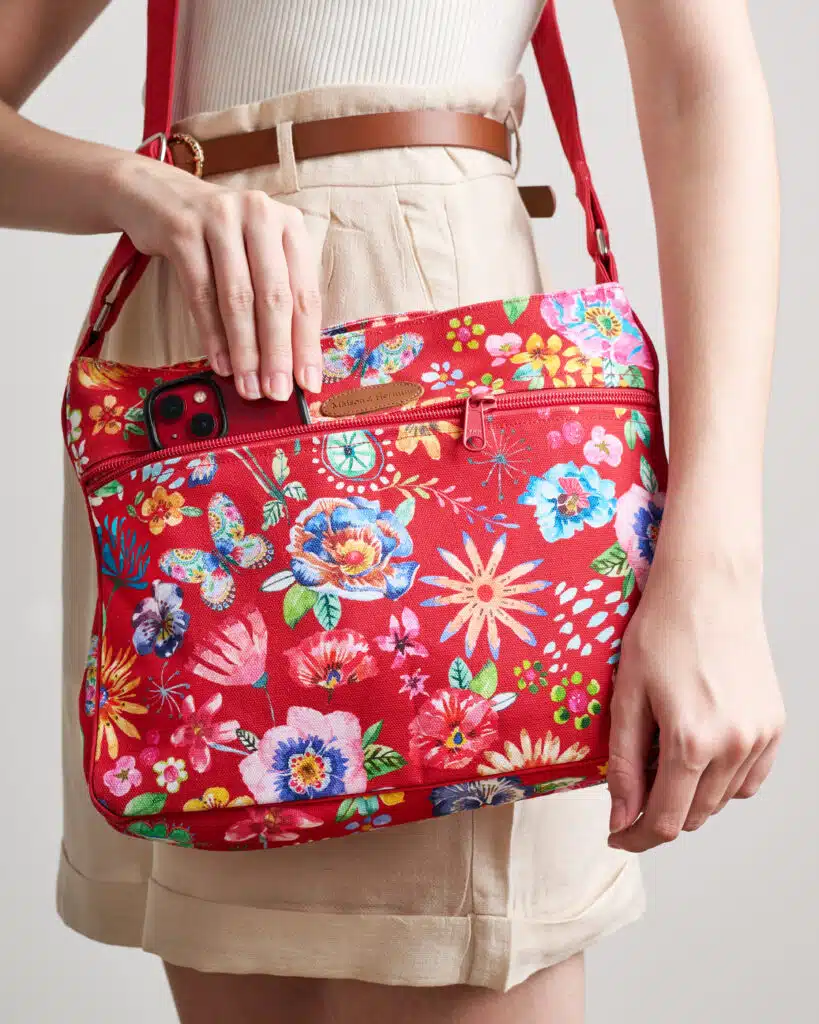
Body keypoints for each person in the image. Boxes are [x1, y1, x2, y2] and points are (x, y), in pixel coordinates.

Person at [0, 2, 785, 1022]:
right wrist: (133, 182)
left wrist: (716, 572)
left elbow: (698, 89)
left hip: (438, 372)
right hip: (198, 373)